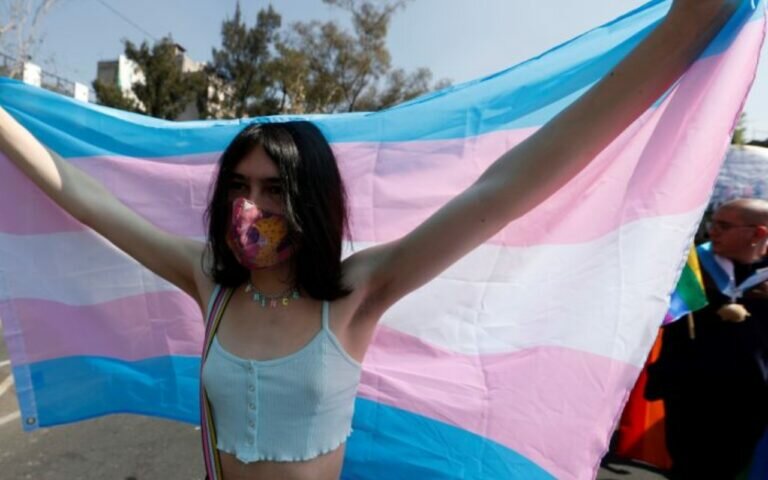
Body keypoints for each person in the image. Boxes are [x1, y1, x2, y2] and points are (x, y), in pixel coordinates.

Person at [0, 2, 744, 479]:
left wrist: (686, 29)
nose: (250, 208)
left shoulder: (358, 292)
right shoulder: (210, 282)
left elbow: (508, 187)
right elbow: (86, 198)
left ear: (314, 203)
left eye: (273, 190)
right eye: (239, 187)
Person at [647, 199, 768, 480]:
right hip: (689, 393)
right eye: (713, 222)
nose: (712, 231)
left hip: (750, 399)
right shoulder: (691, 266)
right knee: (688, 467)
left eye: (724, 226)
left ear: (758, 234)